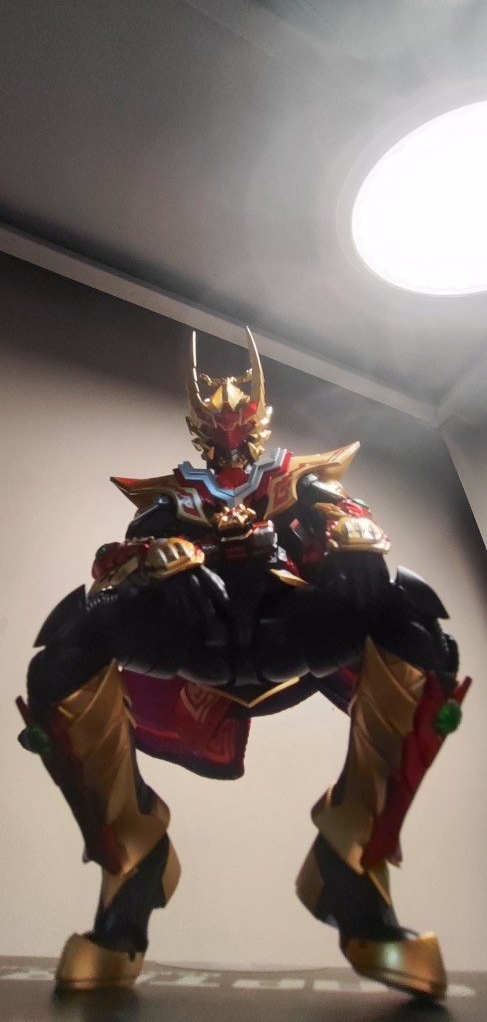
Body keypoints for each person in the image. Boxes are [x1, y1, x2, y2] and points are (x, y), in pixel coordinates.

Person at [18, 330, 469, 996]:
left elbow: (353, 517)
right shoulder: (174, 495)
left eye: (238, 416)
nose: (228, 429)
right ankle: (130, 859)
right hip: (197, 637)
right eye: (215, 420)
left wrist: (353, 543)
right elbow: (113, 563)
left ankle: (353, 854)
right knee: (68, 652)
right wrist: (157, 559)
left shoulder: (296, 479)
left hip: (294, 629)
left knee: (412, 622)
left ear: (259, 418)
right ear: (198, 428)